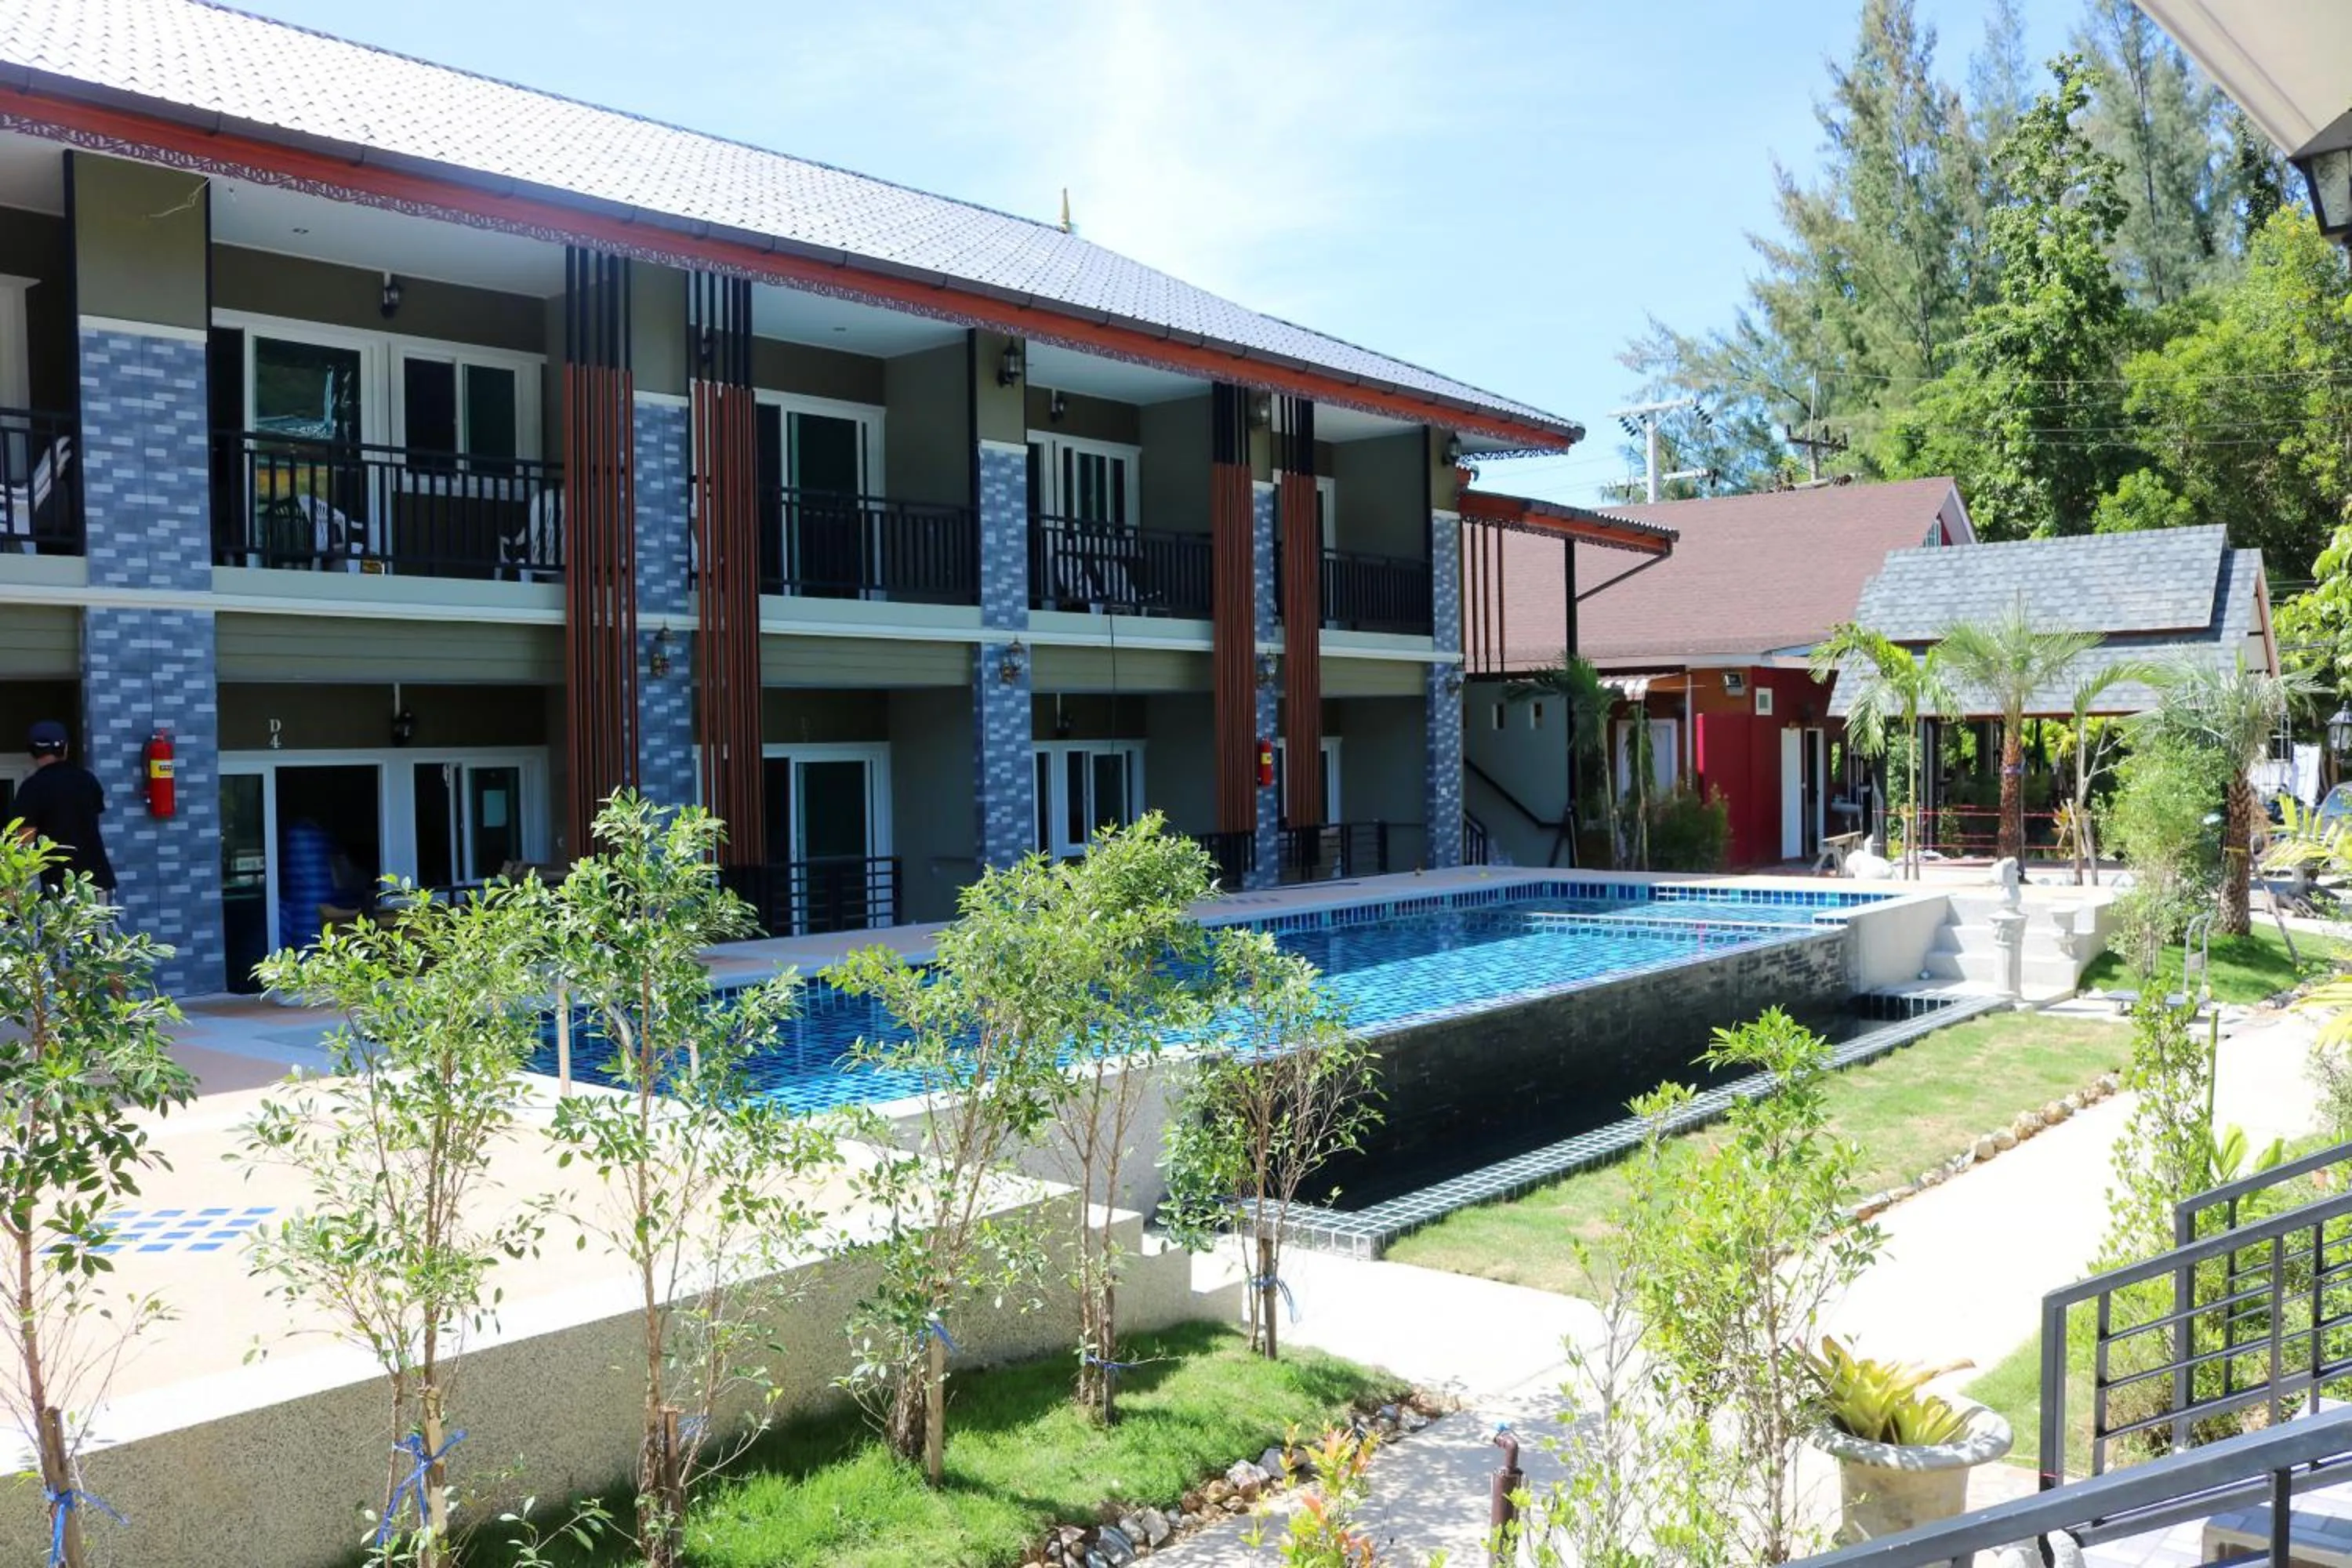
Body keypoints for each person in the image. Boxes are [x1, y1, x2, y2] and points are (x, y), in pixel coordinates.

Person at [12, 720, 116, 894]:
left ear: (32, 752)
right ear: (65, 748)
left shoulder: (31, 788)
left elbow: (24, 846)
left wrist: (13, 890)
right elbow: (92, 825)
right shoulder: (87, 780)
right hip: (98, 880)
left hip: (58, 888)